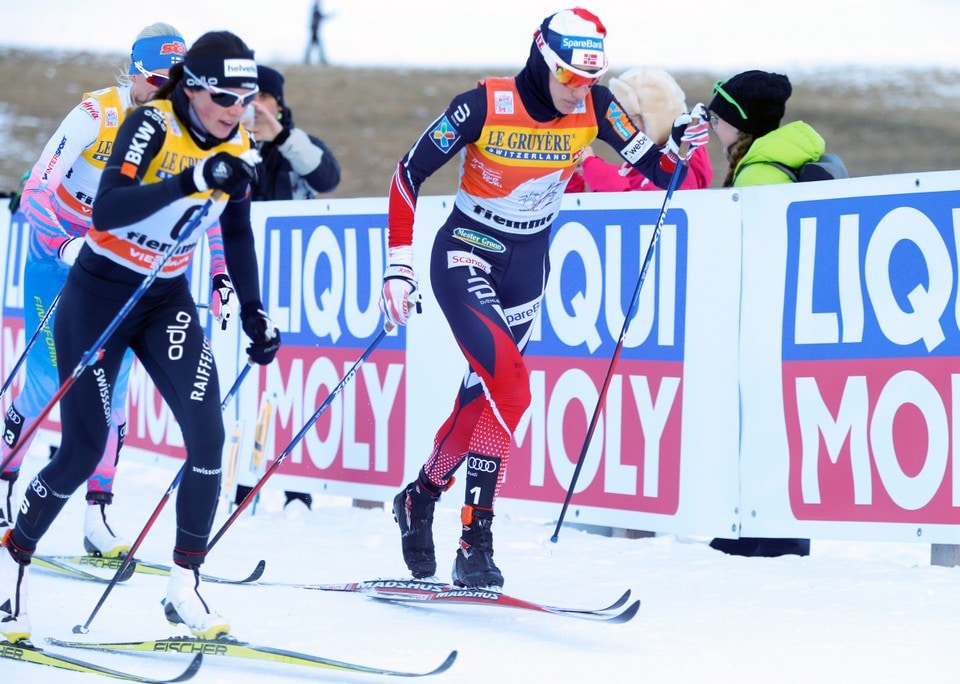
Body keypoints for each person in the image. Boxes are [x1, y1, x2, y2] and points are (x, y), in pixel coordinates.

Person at [382, 7, 709, 588]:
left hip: (527, 269)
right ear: (542, 58)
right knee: (511, 386)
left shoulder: (597, 107)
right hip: (466, 253)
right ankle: (475, 538)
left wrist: (686, 146)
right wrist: (398, 268)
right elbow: (407, 173)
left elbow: (666, 174)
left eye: (590, 78)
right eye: (568, 76)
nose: (577, 90)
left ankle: (421, 494)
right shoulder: (483, 105)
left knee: (482, 401)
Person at [0, 30, 281, 643]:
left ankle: (185, 586)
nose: (236, 111)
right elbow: (108, 210)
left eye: (246, 100)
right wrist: (191, 178)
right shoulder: (148, 124)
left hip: (163, 299)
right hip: (98, 293)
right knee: (82, 447)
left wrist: (254, 309)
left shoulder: (238, 143)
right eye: (225, 98)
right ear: (193, 89)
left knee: (208, 437)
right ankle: (13, 563)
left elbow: (236, 231)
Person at [705, 69, 819, 557]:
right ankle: (770, 531)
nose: (712, 126)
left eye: (717, 117)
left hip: (762, 323)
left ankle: (762, 535)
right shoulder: (784, 157)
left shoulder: (757, 173)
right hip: (786, 324)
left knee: (756, 421)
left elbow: (750, 255)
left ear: (740, 123)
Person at [236, 63, 340, 510]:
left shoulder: (298, 144)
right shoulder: (226, 144)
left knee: (293, 384)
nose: (256, 108)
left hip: (295, 282)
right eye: (248, 99)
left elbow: (326, 177)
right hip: (245, 282)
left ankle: (298, 487)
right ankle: (240, 483)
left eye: (265, 99)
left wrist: (279, 137)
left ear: (279, 104)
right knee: (244, 381)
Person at [566, 66, 713, 192]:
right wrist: (567, 172)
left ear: (654, 121)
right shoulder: (634, 168)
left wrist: (590, 164)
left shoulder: (680, 168)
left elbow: (632, 208)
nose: (620, 127)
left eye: (628, 119)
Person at [304, 0, 329, 66]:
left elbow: (321, 17)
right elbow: (320, 17)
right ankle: (322, 60)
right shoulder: (315, 9)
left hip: (314, 29)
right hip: (314, 30)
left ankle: (307, 59)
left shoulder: (316, 9)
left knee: (314, 45)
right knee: (318, 45)